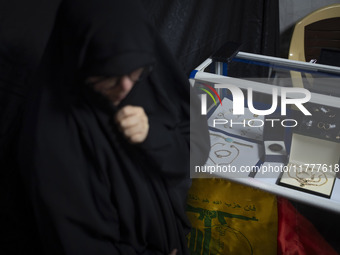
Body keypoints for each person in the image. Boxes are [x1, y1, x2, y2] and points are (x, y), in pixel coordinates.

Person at [16, 0, 209, 254]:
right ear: (79, 60)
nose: (126, 88)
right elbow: (79, 243)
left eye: (135, 72)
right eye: (108, 75)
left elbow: (195, 150)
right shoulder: (52, 139)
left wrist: (154, 136)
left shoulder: (150, 77)